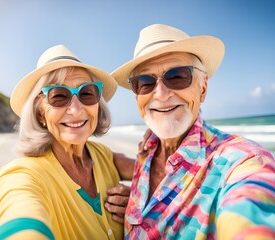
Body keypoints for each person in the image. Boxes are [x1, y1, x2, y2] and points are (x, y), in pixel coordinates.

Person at [111, 24, 275, 239]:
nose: (160, 94)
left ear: (203, 88)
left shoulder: (241, 160)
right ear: (137, 96)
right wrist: (139, 202)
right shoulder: (147, 149)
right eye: (146, 82)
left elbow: (250, 208)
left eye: (177, 76)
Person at [0, 45, 134, 240]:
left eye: (87, 93)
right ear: (40, 113)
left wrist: (138, 201)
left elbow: (160, 173)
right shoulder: (22, 175)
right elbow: (21, 221)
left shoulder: (103, 155)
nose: (76, 109)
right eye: (59, 96)